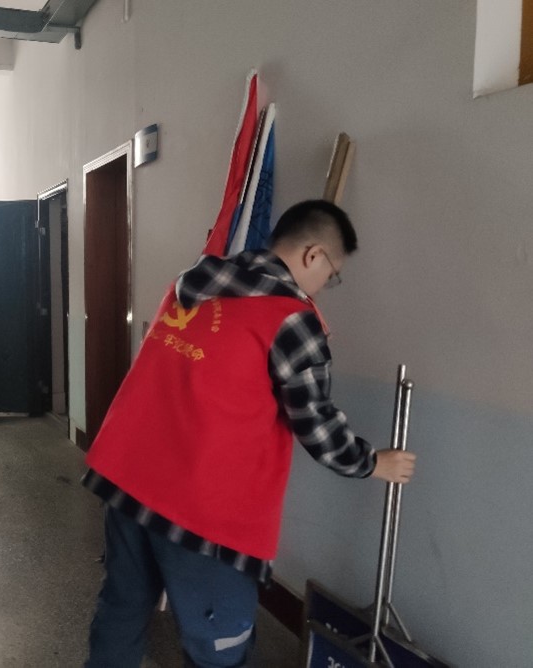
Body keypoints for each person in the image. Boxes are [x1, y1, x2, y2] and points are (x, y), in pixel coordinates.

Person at [82, 200, 417, 668]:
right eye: (332, 275)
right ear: (313, 255)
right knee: (219, 649)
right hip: (201, 510)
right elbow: (317, 425)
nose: (325, 286)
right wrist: (373, 462)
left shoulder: (191, 284)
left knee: (121, 610)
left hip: (127, 478)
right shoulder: (292, 320)